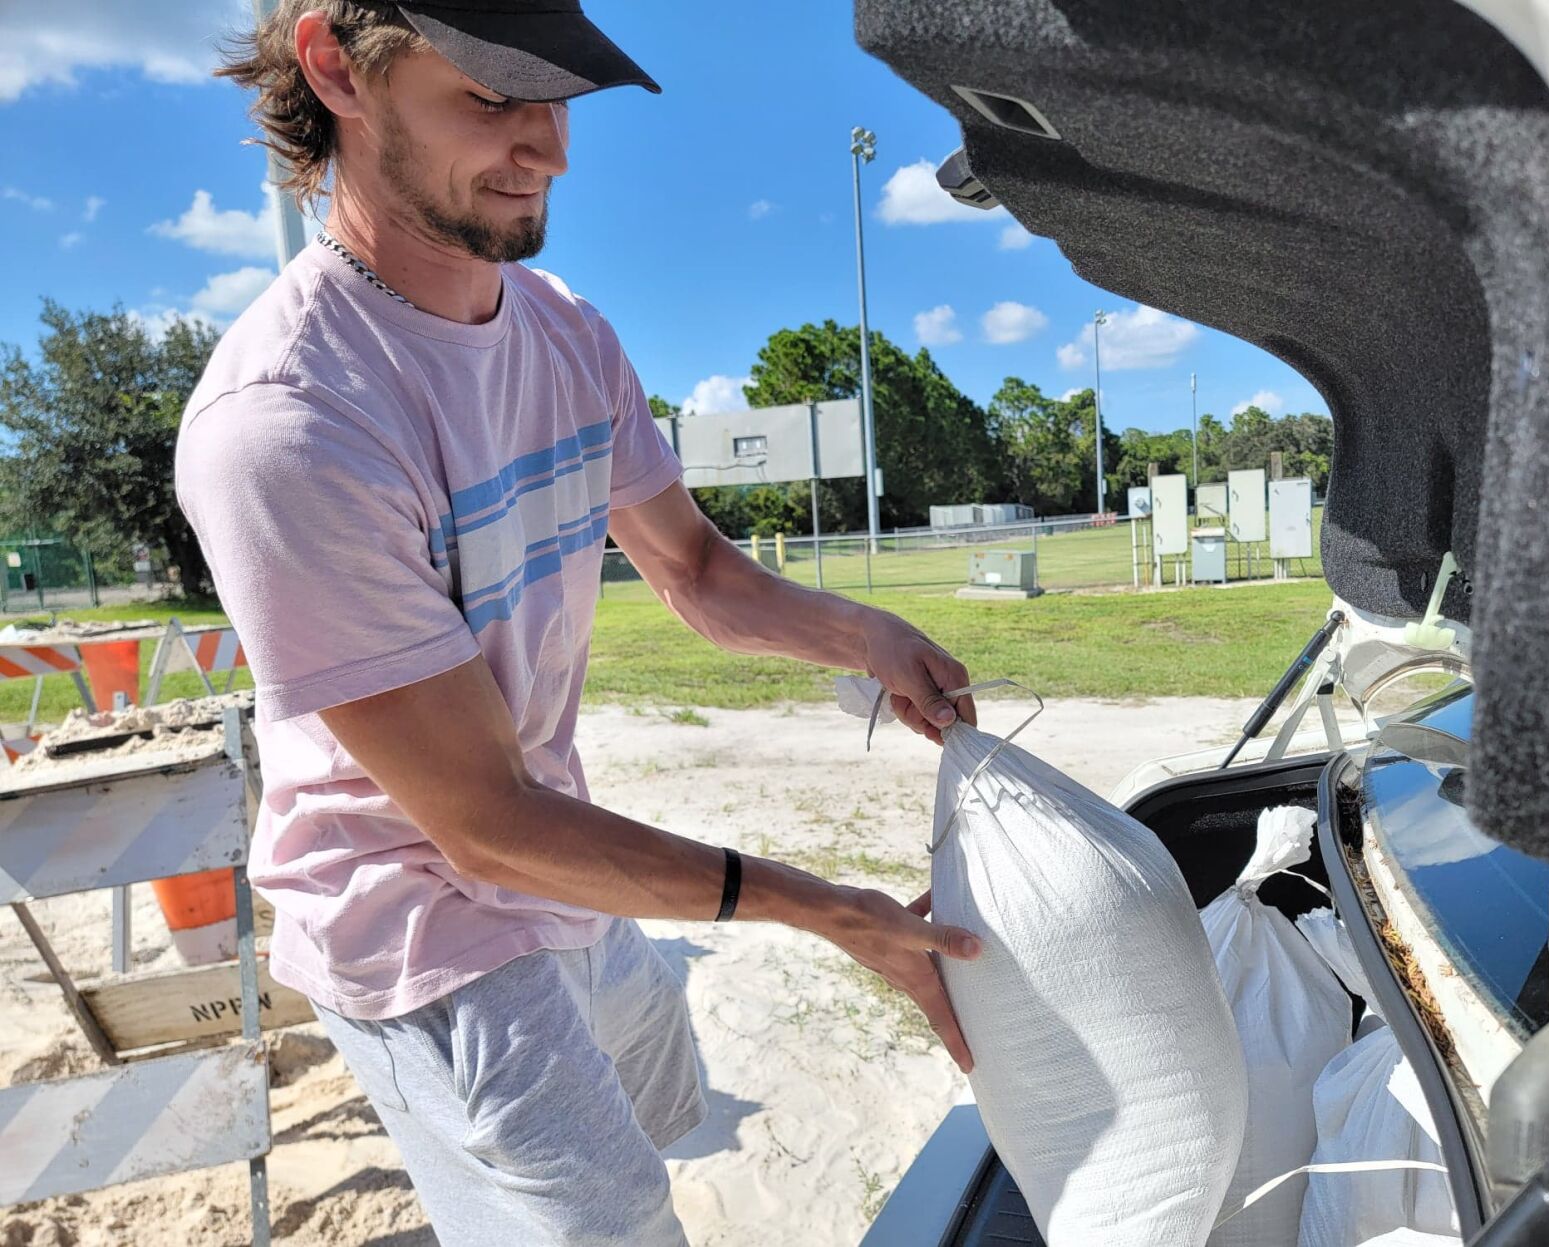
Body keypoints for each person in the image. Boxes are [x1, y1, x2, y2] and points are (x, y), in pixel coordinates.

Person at [178, 3, 983, 1243]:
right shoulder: (288, 424)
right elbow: (481, 824)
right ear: (334, 65)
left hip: (570, 857)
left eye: (558, 99)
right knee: (611, 1220)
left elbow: (699, 572)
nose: (548, 148)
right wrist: (833, 910)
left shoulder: (565, 333)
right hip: (424, 928)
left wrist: (867, 636)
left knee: (660, 1116)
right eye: (493, 100)